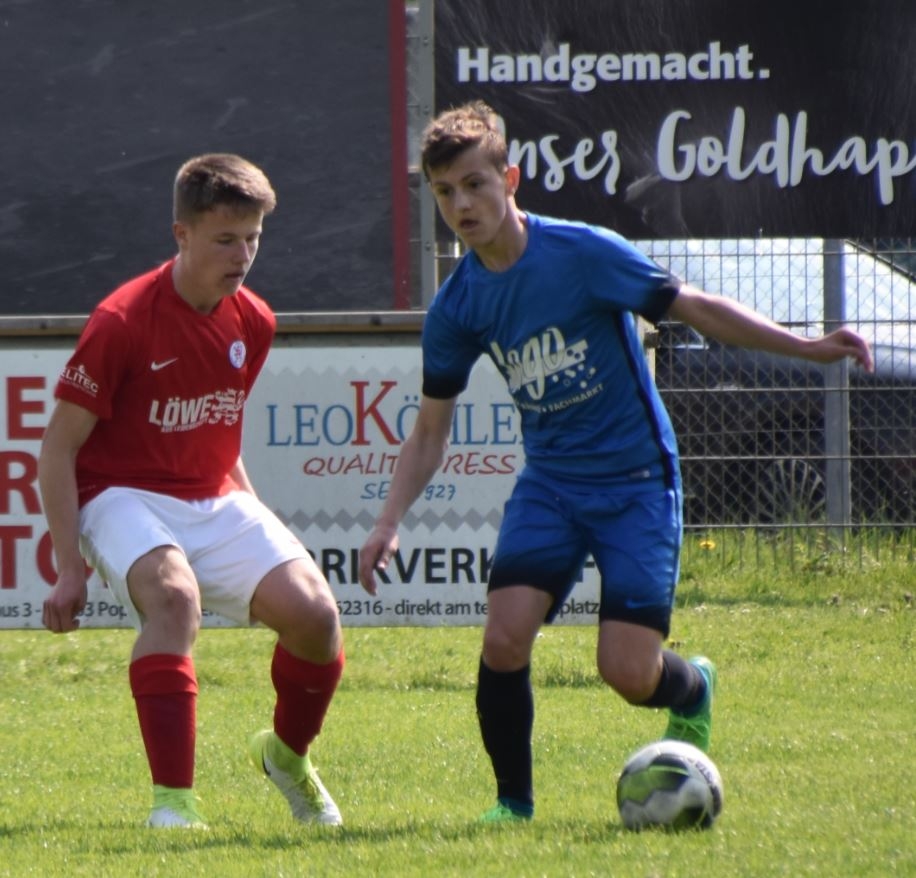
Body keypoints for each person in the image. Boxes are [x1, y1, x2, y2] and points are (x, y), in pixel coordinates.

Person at [357, 102, 874, 823]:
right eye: (445, 192)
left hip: (637, 483)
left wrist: (807, 347)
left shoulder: (582, 254)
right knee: (503, 637)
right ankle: (512, 807)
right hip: (551, 485)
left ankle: (693, 687)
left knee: (627, 673)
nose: (462, 205)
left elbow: (692, 305)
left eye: (475, 184)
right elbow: (429, 431)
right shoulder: (458, 307)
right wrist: (388, 520)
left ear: (510, 179)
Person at [39, 153, 345, 829]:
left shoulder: (253, 320)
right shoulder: (122, 321)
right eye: (225, 239)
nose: (243, 255)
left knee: (317, 616)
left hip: (212, 493)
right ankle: (174, 807)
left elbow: (218, 431)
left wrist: (252, 513)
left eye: (253, 238)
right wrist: (68, 568)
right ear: (181, 234)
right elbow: (57, 448)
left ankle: (287, 758)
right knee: (175, 600)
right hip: (118, 493)